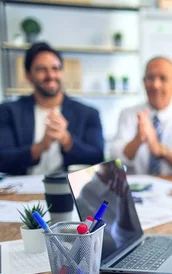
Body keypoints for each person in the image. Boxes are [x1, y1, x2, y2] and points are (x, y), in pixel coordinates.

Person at [110, 56, 172, 213]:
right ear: (143, 82)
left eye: (163, 78)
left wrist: (160, 150)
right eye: (150, 78)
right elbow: (115, 159)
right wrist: (138, 140)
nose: (155, 85)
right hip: (140, 199)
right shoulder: (128, 114)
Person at [0, 42, 104, 176]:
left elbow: (97, 159)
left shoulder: (88, 113)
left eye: (55, 68)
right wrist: (40, 147)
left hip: (71, 190)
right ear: (27, 75)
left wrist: (67, 140)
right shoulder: (9, 111)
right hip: (21, 190)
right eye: (41, 69)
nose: (50, 75)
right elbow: (2, 159)